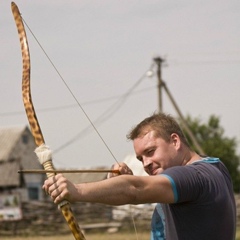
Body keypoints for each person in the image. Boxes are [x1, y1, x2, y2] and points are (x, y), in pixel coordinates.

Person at [43, 113, 236, 240]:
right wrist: (124, 182)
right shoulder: (215, 167)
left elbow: (136, 190)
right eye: (140, 158)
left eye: (151, 151)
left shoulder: (193, 176)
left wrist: (77, 191)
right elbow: (145, 187)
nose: (146, 163)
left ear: (175, 141)